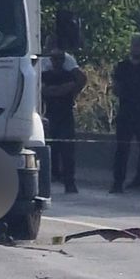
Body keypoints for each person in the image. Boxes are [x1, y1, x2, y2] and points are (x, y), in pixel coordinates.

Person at [42, 46, 86, 194]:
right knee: (49, 150)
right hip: (49, 115)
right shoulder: (45, 75)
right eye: (54, 59)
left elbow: (76, 83)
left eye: (60, 59)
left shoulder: (69, 75)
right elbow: (44, 90)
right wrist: (60, 90)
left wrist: (58, 90)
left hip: (66, 115)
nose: (57, 61)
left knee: (67, 151)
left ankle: (70, 182)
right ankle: (48, 181)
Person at [110, 34, 140, 194]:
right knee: (122, 150)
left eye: (139, 45)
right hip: (126, 113)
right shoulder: (122, 66)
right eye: (134, 45)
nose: (136, 48)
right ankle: (117, 182)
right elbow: (116, 87)